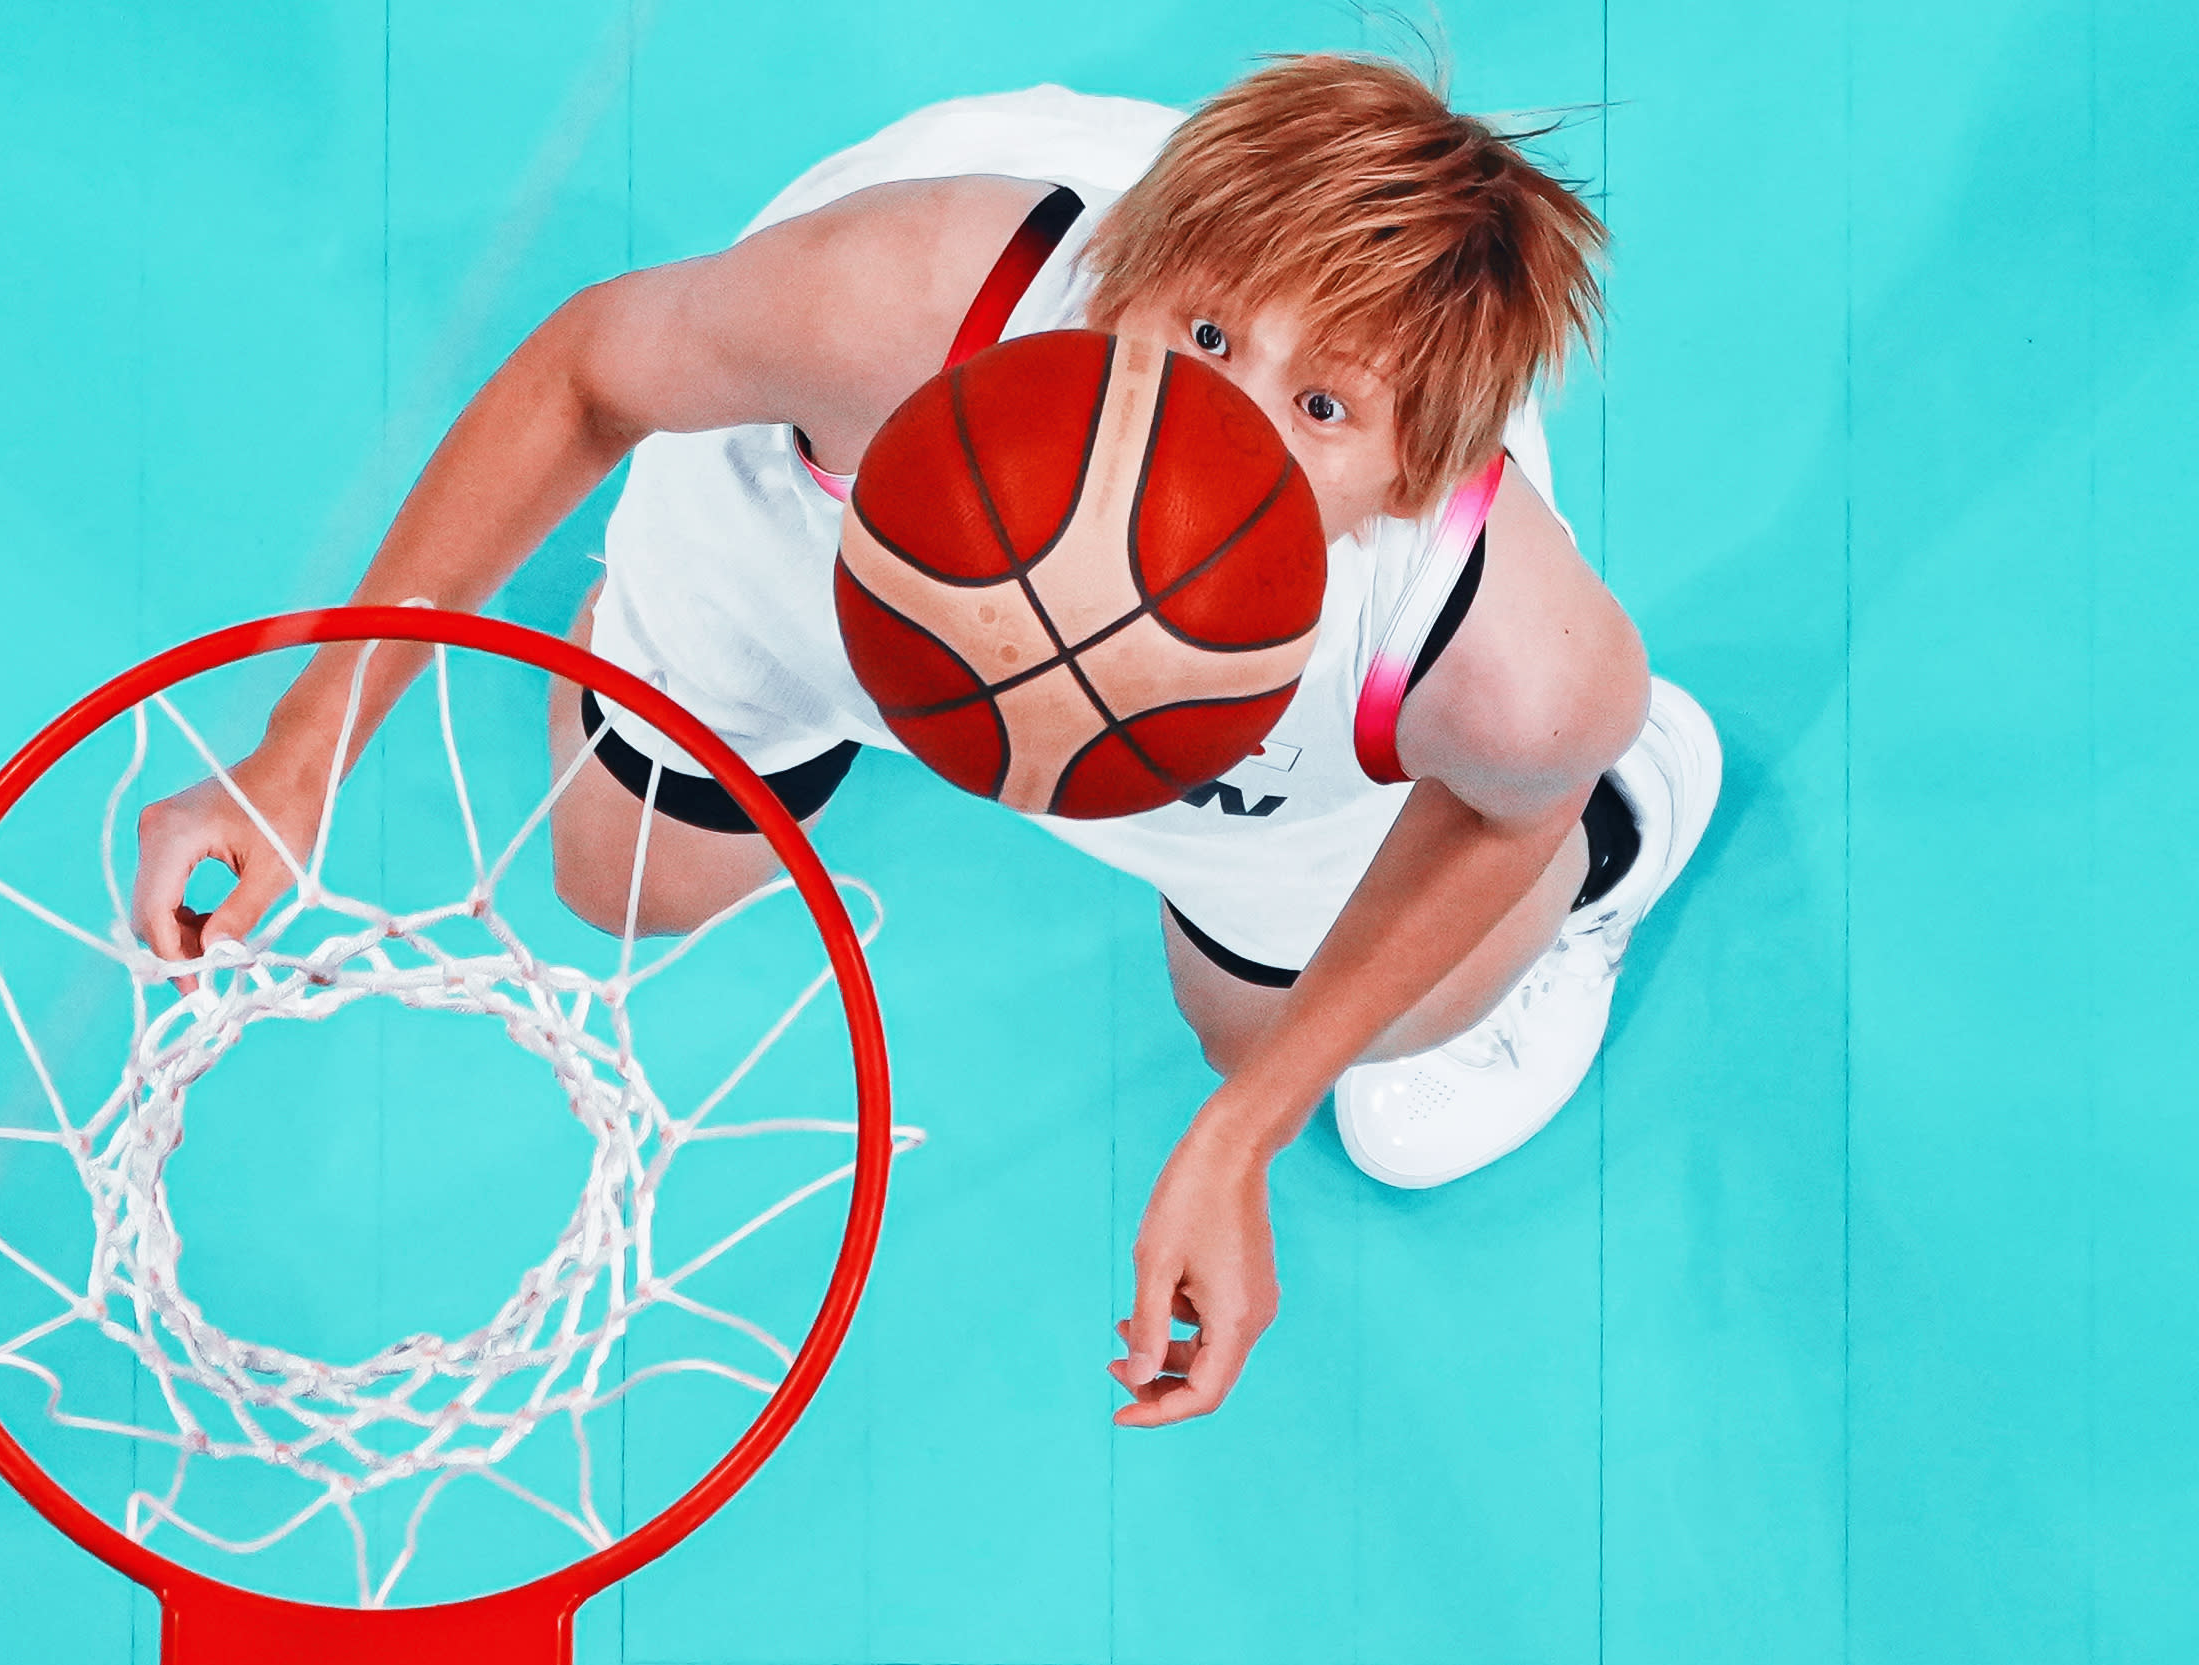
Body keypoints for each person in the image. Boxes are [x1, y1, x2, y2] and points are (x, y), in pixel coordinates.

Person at [130, 54, 1719, 1428]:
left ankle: (1623, 847)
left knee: (1288, 1029)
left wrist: (1248, 1130)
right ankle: (706, 646)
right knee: (623, 886)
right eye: (1212, 337)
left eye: (1325, 412)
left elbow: (1504, 804)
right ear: (1126, 280)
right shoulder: (897, 302)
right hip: (834, 527)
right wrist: (305, 745)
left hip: (1270, 736)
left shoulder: (1498, 656)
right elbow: (587, 373)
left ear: (1413, 482)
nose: (1227, 421)